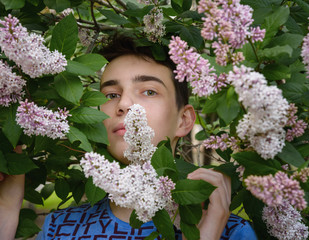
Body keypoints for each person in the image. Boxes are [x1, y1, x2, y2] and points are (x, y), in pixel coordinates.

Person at [0, 35, 257, 240]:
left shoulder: (230, 231)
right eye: (111, 95)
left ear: (184, 120)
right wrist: (6, 209)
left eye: (148, 91)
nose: (123, 104)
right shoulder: (60, 228)